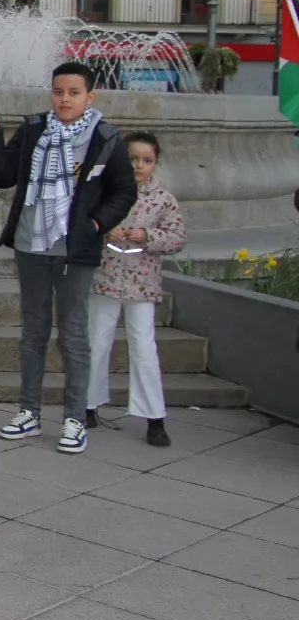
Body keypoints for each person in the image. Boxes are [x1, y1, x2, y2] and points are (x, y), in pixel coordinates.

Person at [0, 62, 137, 454]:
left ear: (89, 96)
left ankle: (75, 419)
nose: (65, 99)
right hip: (30, 244)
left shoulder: (105, 137)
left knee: (73, 334)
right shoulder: (34, 129)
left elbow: (124, 191)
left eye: (73, 93)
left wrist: (96, 223)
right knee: (33, 332)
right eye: (58, 91)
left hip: (74, 251)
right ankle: (29, 413)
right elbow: (2, 175)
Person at [85, 131, 185, 447]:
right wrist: (105, 230)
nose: (139, 166)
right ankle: (87, 405)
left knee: (143, 348)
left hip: (142, 284)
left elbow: (177, 238)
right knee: (96, 342)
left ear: (155, 163)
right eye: (132, 159)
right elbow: (83, 224)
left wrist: (148, 236)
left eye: (147, 160)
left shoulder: (163, 199)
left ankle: (154, 416)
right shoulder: (104, 191)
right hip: (104, 278)